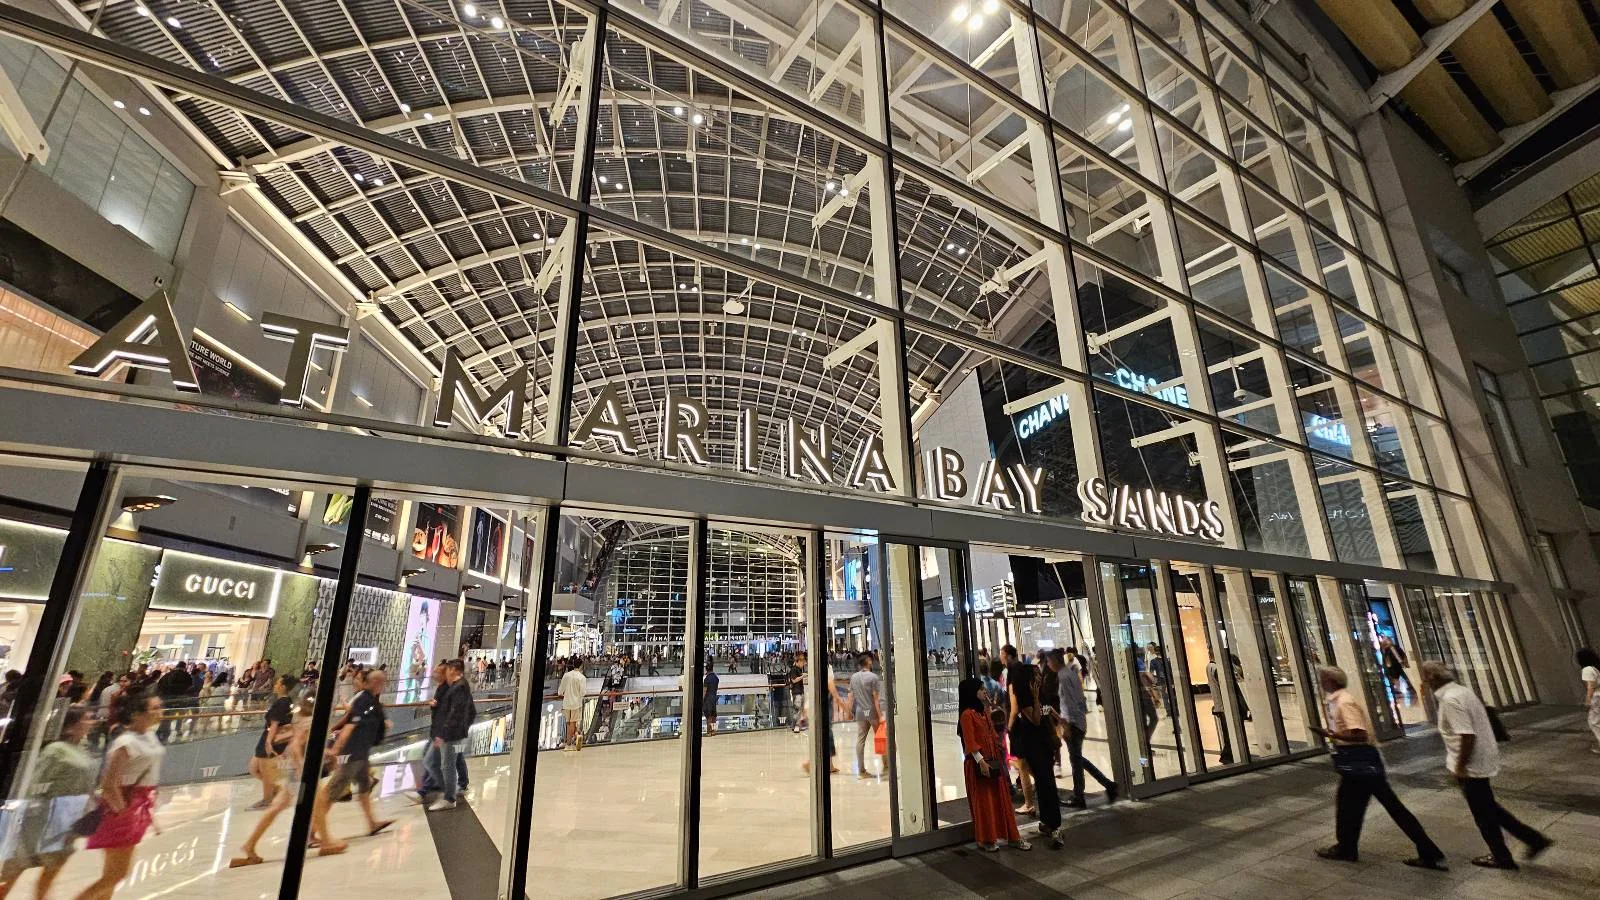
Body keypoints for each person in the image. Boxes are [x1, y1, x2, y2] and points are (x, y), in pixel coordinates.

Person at [1420, 661, 1552, 870]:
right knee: (1488, 808)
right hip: (1480, 758)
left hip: (1472, 764)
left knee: (1484, 814)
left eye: (1425, 678)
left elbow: (1466, 735)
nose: (1423, 682)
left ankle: (1503, 856)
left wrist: (1459, 765)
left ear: (1433, 680)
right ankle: (1533, 840)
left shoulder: (1451, 700)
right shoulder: (1462, 692)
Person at [1310, 666, 1445, 869]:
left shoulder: (1344, 702)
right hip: (1361, 764)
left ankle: (1347, 848)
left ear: (1331, 681)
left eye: (1323, 679)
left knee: (1357, 806)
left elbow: (1359, 733)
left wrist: (1331, 734)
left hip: (1360, 763)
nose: (1321, 683)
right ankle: (1348, 847)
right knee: (1355, 806)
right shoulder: (1340, 700)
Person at [77, 692, 165, 900]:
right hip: (122, 807)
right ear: (136, 714)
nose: (160, 711)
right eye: (154, 708)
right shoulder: (126, 743)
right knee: (117, 874)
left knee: (112, 874)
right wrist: (122, 811)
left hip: (136, 805)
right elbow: (109, 783)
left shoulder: (149, 736)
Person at [0, 708, 95, 899]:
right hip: (43, 819)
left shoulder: (81, 749)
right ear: (71, 725)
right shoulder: (55, 750)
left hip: (69, 820)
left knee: (54, 866)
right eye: (87, 718)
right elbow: (36, 783)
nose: (92, 722)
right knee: (16, 869)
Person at [311, 668, 394, 856]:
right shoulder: (364, 699)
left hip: (361, 754)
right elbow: (350, 725)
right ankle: (312, 833)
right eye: (379, 681)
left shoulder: (371, 700)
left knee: (364, 789)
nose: (382, 685)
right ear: (371, 683)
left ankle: (372, 823)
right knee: (331, 793)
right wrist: (335, 750)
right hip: (351, 755)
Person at [229, 694, 314, 867]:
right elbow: (296, 745)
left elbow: (285, 740)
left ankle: (251, 844)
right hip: (299, 772)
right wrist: (299, 767)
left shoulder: (300, 720)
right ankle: (317, 838)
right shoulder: (308, 721)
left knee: (309, 804)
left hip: (297, 770)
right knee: (312, 803)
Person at [957, 678, 1029, 852]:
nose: (984, 691)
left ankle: (1011, 835)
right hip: (980, 764)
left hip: (993, 761)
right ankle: (986, 839)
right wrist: (980, 761)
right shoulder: (967, 715)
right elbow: (970, 741)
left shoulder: (983, 711)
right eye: (980, 689)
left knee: (1000, 799)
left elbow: (993, 734)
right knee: (984, 802)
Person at [1049, 650, 1115, 808]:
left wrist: (1067, 725)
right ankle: (1106, 786)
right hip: (1078, 721)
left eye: (1049, 661)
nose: (1048, 664)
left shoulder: (1063, 676)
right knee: (1077, 758)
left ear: (1054, 661)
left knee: (1076, 761)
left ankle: (1081, 796)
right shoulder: (1070, 673)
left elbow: (1069, 702)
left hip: (1074, 723)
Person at [1008, 663, 1062, 848]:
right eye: (1035, 674)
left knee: (1046, 781)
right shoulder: (1025, 696)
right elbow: (1037, 719)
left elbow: (1047, 712)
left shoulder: (1040, 691)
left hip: (1044, 743)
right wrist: (1036, 697)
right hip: (1033, 744)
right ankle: (1051, 822)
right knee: (1044, 781)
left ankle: (1049, 821)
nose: (1039, 676)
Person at [427, 659, 475, 811]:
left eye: (447, 670)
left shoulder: (459, 688)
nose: (446, 673)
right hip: (449, 733)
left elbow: (456, 713)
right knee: (442, 762)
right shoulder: (455, 687)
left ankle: (449, 797)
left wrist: (444, 733)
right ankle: (450, 790)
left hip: (451, 734)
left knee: (446, 765)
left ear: (453, 670)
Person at [247, 675, 297, 810]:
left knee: (263, 769)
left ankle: (267, 799)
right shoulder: (285, 701)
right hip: (268, 736)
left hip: (271, 738)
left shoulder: (282, 702)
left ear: (283, 687)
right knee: (254, 768)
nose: (275, 685)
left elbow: (274, 724)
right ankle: (275, 789)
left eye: (278, 683)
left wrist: (269, 742)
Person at [848, 653, 882, 779]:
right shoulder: (873, 677)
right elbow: (876, 698)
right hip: (872, 711)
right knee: (881, 737)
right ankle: (887, 766)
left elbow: (850, 696)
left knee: (860, 739)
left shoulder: (854, 677)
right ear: (868, 661)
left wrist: (848, 711)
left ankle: (861, 770)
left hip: (860, 711)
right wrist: (880, 715)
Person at [559, 657, 587, 750]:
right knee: (572, 723)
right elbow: (583, 693)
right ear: (581, 666)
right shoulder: (582, 678)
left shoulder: (566, 675)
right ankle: (569, 742)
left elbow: (560, 690)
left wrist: (561, 693)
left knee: (568, 722)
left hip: (566, 702)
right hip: (576, 703)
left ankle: (573, 738)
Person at [1577, 647, 1600, 753]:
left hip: (1597, 697)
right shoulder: (1595, 668)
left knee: (1594, 722)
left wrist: (1588, 701)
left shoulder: (1587, 670)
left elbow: (1591, 686)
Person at [788, 652, 808, 732]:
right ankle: (795, 725)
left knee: (801, 709)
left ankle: (799, 725)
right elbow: (794, 680)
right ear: (798, 661)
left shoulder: (799, 669)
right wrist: (802, 676)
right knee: (797, 709)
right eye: (802, 663)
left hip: (801, 691)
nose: (803, 664)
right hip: (796, 692)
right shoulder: (793, 669)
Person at [703, 657, 721, 736]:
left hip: (708, 698)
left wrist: (702, 700)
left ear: (706, 670)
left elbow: (704, 691)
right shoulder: (716, 678)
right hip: (714, 697)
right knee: (714, 716)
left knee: (709, 717)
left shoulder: (706, 679)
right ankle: (713, 731)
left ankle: (709, 732)